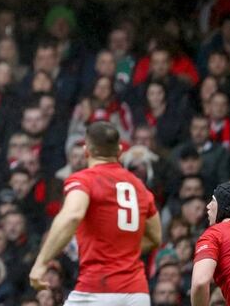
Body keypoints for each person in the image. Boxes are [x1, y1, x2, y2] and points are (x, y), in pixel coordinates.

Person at [29, 122, 162, 306]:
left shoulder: (84, 179)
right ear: (120, 151)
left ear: (86, 150)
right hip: (137, 294)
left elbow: (72, 215)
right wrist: (120, 251)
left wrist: (41, 262)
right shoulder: (139, 187)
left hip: (97, 290)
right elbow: (156, 237)